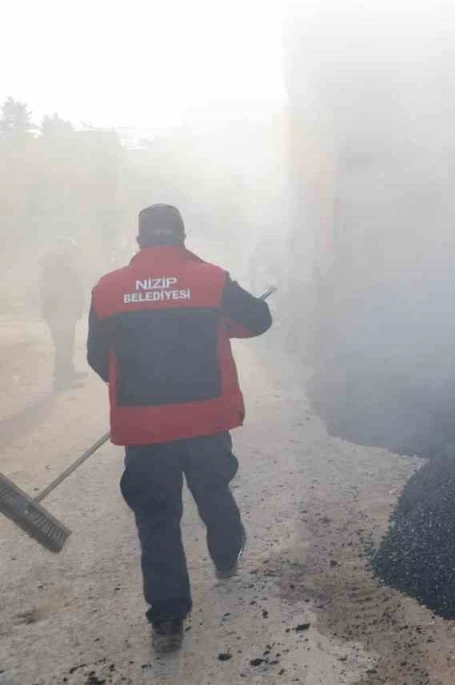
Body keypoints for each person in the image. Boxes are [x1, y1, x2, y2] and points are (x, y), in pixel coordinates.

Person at [87, 204, 272, 654]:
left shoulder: (109, 288)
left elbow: (97, 357)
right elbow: (259, 321)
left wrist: (138, 383)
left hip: (145, 428)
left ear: (139, 241)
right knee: (214, 491)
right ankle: (226, 556)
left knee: (156, 519)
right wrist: (221, 325)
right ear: (183, 237)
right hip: (206, 420)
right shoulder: (212, 279)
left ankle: (168, 620)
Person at [38, 238, 86, 391]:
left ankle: (68, 373)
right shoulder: (58, 269)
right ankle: (61, 380)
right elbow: (61, 292)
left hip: (64, 312)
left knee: (67, 343)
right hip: (60, 312)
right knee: (63, 345)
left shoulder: (60, 268)